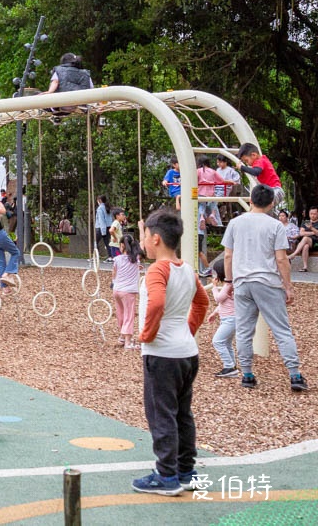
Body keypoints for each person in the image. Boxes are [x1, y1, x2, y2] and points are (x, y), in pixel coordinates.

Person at [131, 208, 209, 496]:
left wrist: (147, 335)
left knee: (161, 413)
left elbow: (156, 303)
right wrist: (188, 332)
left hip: (162, 352)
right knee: (182, 413)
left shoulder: (158, 269)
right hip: (187, 352)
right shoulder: (187, 268)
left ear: (156, 239)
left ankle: (166, 475)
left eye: (144, 236)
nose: (142, 242)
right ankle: (186, 470)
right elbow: (202, 303)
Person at [222, 185, 308, 392]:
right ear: (271, 204)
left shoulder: (235, 223)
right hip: (267, 282)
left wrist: (228, 281)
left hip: (242, 283)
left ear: (250, 200)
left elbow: (228, 255)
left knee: (244, 330)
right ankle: (295, 375)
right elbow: (281, 259)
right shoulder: (275, 225)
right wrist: (288, 287)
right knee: (281, 329)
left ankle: (247, 374)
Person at [206, 257, 238, 378]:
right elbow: (224, 303)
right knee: (227, 343)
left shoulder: (228, 286)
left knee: (217, 341)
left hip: (230, 319)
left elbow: (218, 298)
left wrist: (214, 287)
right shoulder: (231, 285)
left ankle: (228, 366)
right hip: (229, 318)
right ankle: (232, 365)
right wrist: (215, 313)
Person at [112, 233, 141, 349]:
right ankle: (128, 342)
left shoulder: (117, 259)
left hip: (117, 289)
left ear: (122, 245)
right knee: (129, 314)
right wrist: (141, 228)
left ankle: (122, 337)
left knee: (121, 313)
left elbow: (114, 274)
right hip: (128, 291)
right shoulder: (135, 259)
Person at [236, 144, 283, 209]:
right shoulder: (262, 160)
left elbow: (256, 172)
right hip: (270, 192)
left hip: (275, 190)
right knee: (262, 209)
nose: (247, 163)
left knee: (261, 207)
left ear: (254, 155)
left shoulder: (260, 161)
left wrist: (242, 167)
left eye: (246, 160)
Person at [287, 206, 318, 271]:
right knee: (305, 245)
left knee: (306, 238)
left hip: (316, 243)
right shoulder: (306, 222)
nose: (312, 215)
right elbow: (301, 233)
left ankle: (293, 254)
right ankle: (305, 267)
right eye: (311, 214)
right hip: (306, 242)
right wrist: (313, 232)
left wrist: (311, 228)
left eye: (314, 214)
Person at [215, 155, 241, 220]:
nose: (218, 164)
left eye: (220, 162)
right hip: (217, 188)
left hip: (225, 189)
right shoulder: (218, 170)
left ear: (225, 162)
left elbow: (236, 179)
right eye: (217, 162)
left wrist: (231, 182)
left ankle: (217, 218)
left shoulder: (230, 170)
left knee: (215, 201)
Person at [94, 195, 114, 261]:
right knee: (107, 242)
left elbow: (101, 220)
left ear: (99, 200)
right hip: (108, 227)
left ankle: (95, 256)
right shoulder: (108, 207)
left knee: (95, 242)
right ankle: (110, 256)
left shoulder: (100, 208)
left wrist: (103, 232)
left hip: (101, 228)